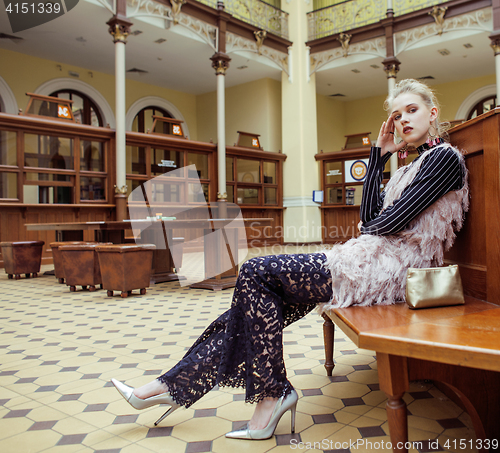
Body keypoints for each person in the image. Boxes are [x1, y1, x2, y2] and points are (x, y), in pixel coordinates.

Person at [111, 79, 469, 440]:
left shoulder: (443, 158)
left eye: (412, 111)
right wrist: (379, 154)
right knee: (252, 307)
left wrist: (372, 223)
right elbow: (370, 219)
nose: (403, 121)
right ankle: (171, 386)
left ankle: (258, 393)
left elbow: (380, 225)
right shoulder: (412, 164)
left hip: (395, 271)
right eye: (396, 115)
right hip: (370, 260)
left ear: (432, 112)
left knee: (255, 272)